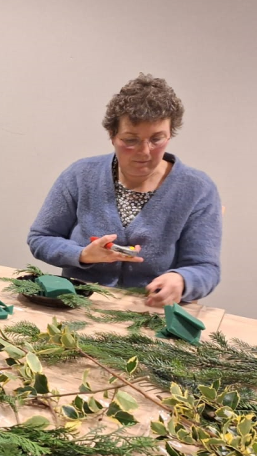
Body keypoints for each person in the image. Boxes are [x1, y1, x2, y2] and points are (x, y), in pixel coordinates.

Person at [27, 73, 221, 306]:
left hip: (151, 311)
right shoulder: (81, 175)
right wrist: (82, 255)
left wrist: (182, 280)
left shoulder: (197, 189)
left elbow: (205, 267)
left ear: (170, 135)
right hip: (79, 305)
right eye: (131, 140)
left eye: (157, 139)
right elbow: (41, 238)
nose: (145, 151)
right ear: (112, 135)